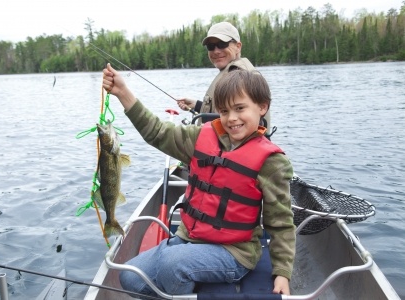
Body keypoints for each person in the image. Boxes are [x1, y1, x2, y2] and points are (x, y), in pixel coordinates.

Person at [102, 63, 295, 297]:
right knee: (130, 276)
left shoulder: (272, 162)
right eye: (224, 111)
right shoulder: (200, 137)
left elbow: (281, 222)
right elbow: (157, 132)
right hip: (190, 238)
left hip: (234, 253)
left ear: (262, 107)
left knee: (174, 265)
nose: (231, 119)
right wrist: (123, 92)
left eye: (240, 108)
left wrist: (282, 271)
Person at [177, 21, 271, 131]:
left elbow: (235, 122)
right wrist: (197, 105)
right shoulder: (230, 72)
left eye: (222, 44)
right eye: (211, 46)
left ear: (238, 46)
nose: (216, 51)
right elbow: (228, 111)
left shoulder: (239, 76)